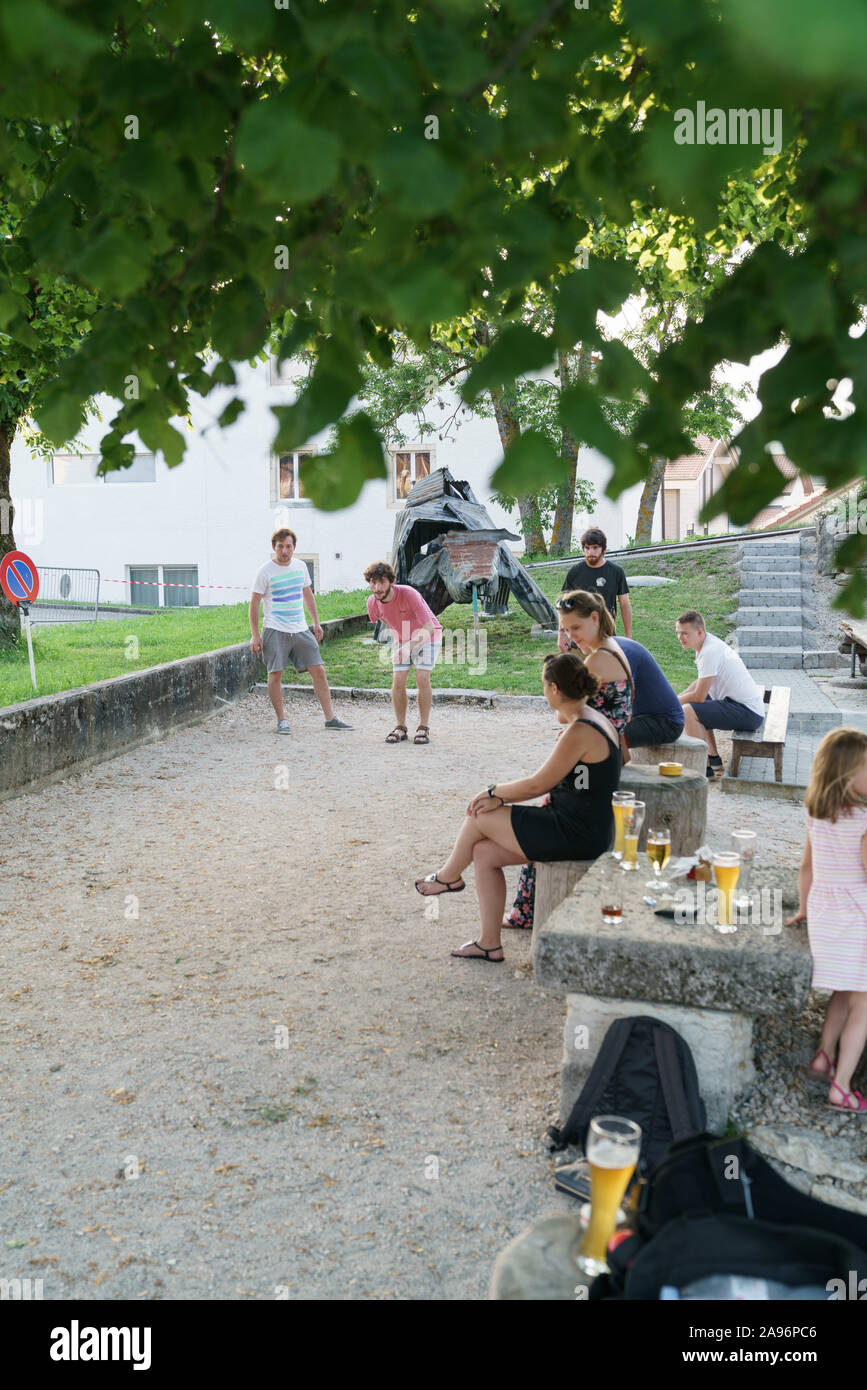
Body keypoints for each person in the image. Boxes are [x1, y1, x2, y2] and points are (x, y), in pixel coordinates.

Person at [415, 651, 621, 962]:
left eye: (544, 685)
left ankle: (448, 877)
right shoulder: (592, 718)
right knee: (483, 853)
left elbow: (539, 784)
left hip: (575, 832)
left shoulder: (580, 731)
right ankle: (489, 944)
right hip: (582, 826)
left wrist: (494, 792)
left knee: (479, 815)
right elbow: (583, 779)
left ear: (554, 689)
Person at [505, 589, 635, 932]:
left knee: (549, 807)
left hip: (592, 759)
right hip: (595, 751)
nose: (570, 636)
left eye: (574, 628)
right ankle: (526, 907)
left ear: (595, 618)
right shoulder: (603, 648)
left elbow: (569, 715)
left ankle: (526, 910)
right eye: (565, 629)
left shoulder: (596, 660)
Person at [784, 728, 867, 1113]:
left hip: (824, 912)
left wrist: (804, 908)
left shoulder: (816, 813)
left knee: (843, 990)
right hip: (857, 916)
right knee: (863, 1007)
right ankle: (843, 1086)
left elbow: (806, 867)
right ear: (848, 773)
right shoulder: (864, 819)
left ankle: (823, 1054)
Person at [250, 527, 353, 734]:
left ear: (294, 547)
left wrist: (316, 622)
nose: (285, 551)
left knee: (319, 670)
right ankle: (282, 720)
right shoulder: (265, 571)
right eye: (280, 547)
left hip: (300, 628)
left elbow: (308, 594)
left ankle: (330, 717)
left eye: (288, 546)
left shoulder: (300, 567)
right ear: (274, 547)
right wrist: (254, 634)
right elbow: (254, 604)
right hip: (274, 629)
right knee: (275, 673)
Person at [675, 609, 765, 779]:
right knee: (700, 704)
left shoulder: (709, 651)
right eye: (678, 633)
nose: (681, 638)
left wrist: (672, 702)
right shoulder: (706, 644)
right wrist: (675, 697)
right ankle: (713, 758)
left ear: (699, 632)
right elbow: (700, 684)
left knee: (689, 710)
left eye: (685, 633)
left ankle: (703, 769)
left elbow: (698, 696)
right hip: (744, 706)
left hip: (749, 712)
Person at [365, 560, 443, 744]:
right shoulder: (372, 603)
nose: (377, 587)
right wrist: (400, 636)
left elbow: (429, 627)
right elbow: (383, 619)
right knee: (398, 680)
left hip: (428, 635)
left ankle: (423, 727)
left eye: (382, 582)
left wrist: (408, 645)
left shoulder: (409, 594)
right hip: (403, 639)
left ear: (391, 582)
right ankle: (400, 727)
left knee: (422, 677)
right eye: (373, 582)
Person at [562, 527, 632, 637]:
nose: (591, 552)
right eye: (587, 548)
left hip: (606, 635)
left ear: (603, 548)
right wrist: (561, 636)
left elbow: (625, 604)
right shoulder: (575, 572)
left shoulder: (616, 572)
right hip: (579, 638)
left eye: (595, 548)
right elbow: (564, 606)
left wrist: (628, 636)